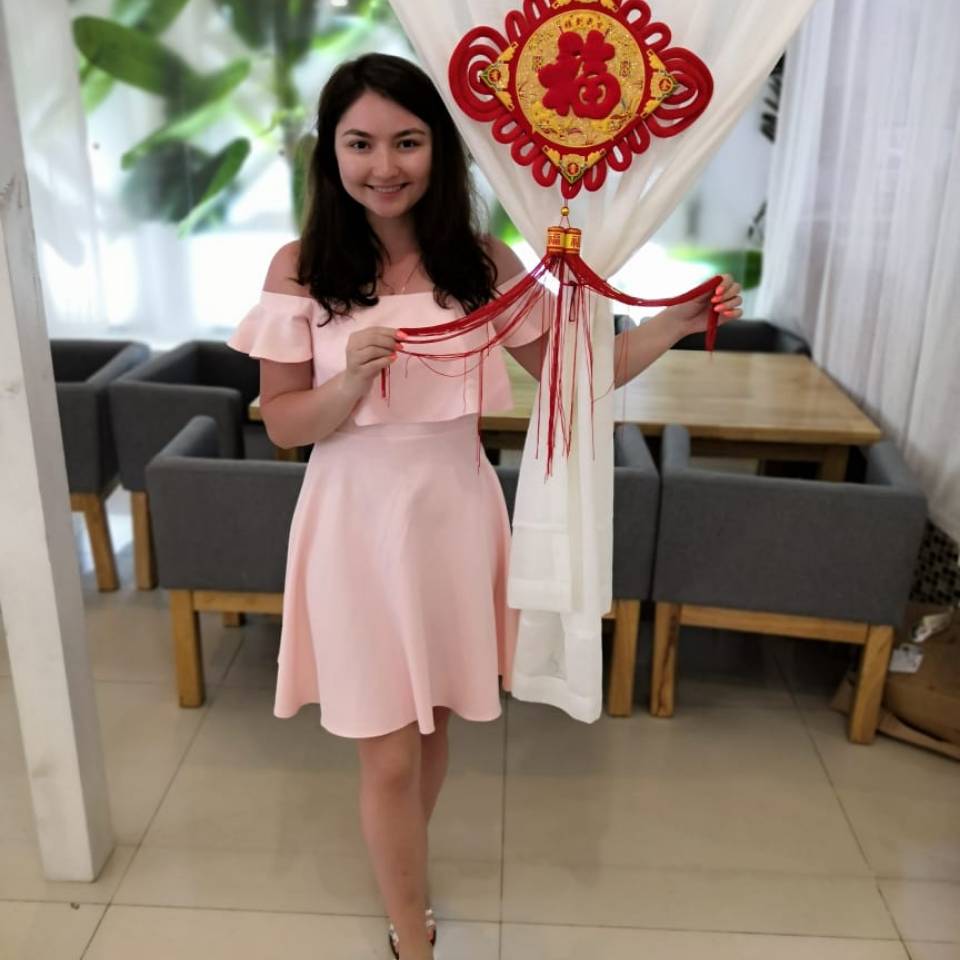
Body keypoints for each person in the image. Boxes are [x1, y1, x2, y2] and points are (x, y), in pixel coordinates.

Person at [229, 53, 741, 960]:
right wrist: (348, 383)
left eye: (407, 141)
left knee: (431, 729)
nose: (383, 165)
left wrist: (673, 320)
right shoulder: (301, 267)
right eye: (360, 143)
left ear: (440, 148)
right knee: (388, 750)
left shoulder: (483, 261)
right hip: (353, 520)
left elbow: (575, 377)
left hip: (454, 515)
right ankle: (411, 933)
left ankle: (405, 875)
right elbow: (282, 423)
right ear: (330, 153)